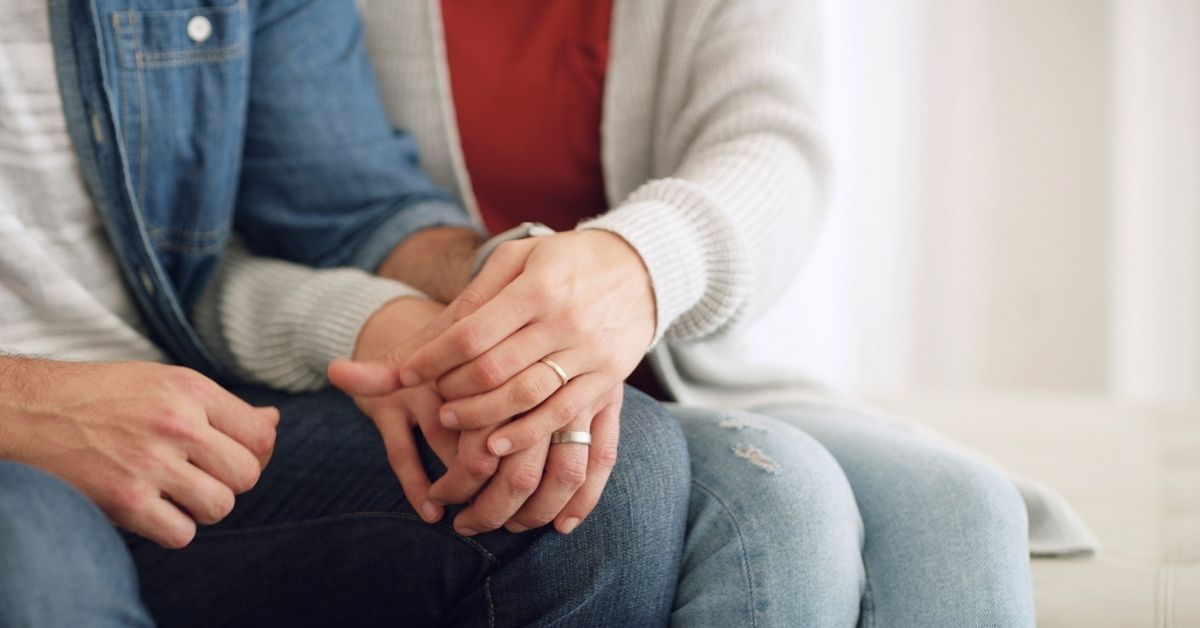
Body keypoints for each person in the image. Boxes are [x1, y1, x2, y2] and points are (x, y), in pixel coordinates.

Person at [333, 0, 1053, 625]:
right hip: (462, 382)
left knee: (966, 507)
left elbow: (773, 149)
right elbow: (299, 208)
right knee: (782, 502)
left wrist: (642, 265)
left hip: (690, 377)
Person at [0, 1, 691, 626]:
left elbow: (345, 206)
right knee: (33, 539)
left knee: (604, 471)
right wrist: (26, 405)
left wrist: (502, 309)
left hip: (170, 411)